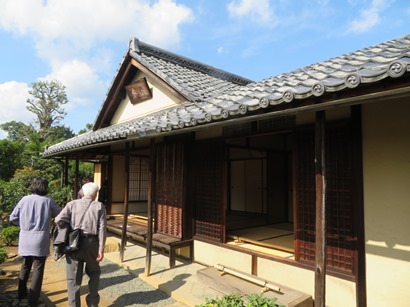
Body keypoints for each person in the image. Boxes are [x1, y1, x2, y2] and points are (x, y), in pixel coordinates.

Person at [9, 177, 62, 306]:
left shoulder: (24, 199)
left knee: (25, 265)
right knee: (38, 268)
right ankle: (33, 299)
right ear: (45, 187)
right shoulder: (48, 200)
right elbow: (61, 215)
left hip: (26, 237)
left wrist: (23, 225)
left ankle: (21, 294)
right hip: (40, 238)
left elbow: (12, 218)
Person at [55, 182, 107, 307]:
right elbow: (102, 229)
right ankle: (92, 303)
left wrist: (69, 228)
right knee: (94, 273)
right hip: (92, 244)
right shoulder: (99, 206)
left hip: (74, 243)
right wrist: (101, 249)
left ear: (82, 193)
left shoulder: (72, 204)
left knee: (73, 278)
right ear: (96, 194)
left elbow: (58, 220)